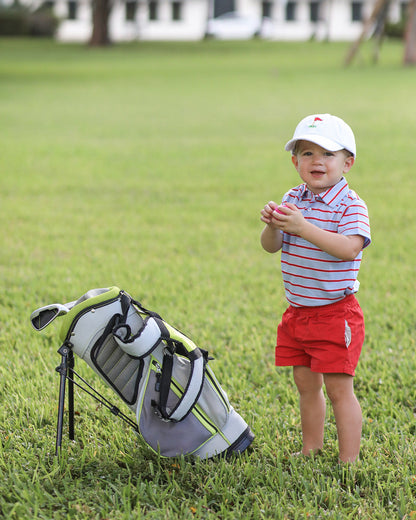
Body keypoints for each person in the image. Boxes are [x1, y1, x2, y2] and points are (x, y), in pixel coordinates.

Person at [260, 114, 371, 463]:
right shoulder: (293, 198)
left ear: (347, 162)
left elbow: (349, 248)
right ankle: (312, 448)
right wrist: (273, 225)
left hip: (335, 313)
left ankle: (348, 460)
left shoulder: (350, 205)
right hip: (298, 313)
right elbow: (271, 246)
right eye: (307, 153)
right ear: (295, 162)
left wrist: (303, 227)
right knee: (306, 385)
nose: (316, 161)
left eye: (328, 154)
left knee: (339, 390)